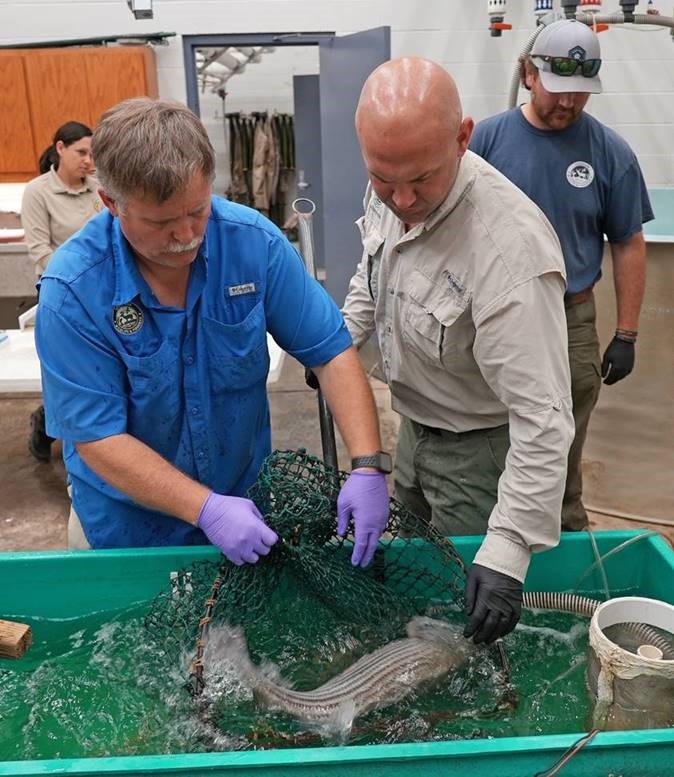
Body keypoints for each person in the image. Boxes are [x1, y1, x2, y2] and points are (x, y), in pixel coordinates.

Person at [35, 98, 390, 568]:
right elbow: (97, 438)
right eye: (162, 222)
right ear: (110, 203)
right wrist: (205, 508)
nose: (186, 234)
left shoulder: (252, 245)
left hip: (247, 517)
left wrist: (367, 465)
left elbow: (330, 352)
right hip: (127, 532)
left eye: (197, 210)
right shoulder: (74, 290)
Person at [342, 57, 575, 645]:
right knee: (418, 582)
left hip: (483, 454)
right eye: (382, 178)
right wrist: (336, 348)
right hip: (415, 431)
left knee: (469, 620)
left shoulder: (507, 252)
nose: (401, 198)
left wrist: (509, 547)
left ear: (463, 136)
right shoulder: (394, 180)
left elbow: (544, 421)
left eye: (420, 180)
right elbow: (372, 276)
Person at [470, 19, 653, 531]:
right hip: (493, 316)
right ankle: (491, 535)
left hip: (569, 319)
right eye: (559, 89)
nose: (569, 103)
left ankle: (564, 540)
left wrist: (627, 333)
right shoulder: (485, 141)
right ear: (529, 74)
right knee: (490, 436)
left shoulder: (609, 152)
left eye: (580, 93)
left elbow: (628, 242)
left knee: (562, 441)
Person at [20, 121, 101, 462]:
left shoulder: (98, 189)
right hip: (61, 296)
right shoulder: (38, 192)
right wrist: (75, 279)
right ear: (60, 149)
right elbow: (40, 249)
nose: (88, 160)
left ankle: (98, 440)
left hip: (99, 293)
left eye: (92, 154)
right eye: (81, 152)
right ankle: (45, 423)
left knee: (97, 371)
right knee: (68, 370)